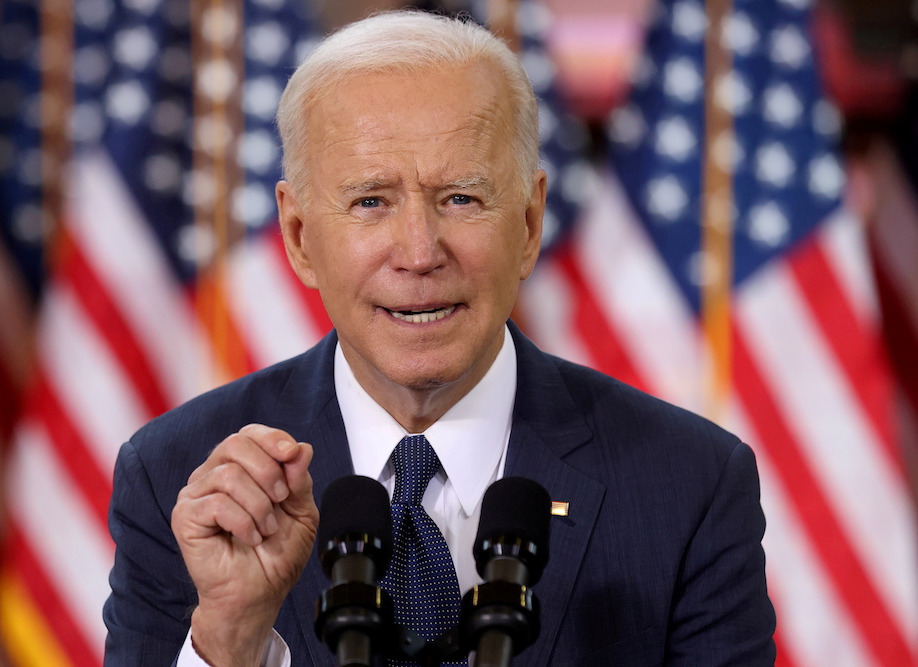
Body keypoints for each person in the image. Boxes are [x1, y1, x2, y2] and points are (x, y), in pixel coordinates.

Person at [103, 10, 776, 666]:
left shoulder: (689, 486)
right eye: (371, 200)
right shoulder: (177, 481)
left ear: (531, 222)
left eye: (460, 198)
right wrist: (229, 638)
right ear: (300, 237)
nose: (420, 252)